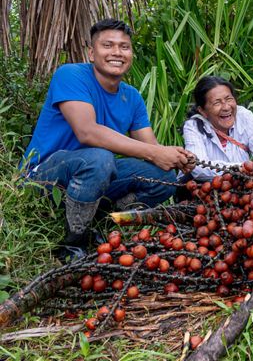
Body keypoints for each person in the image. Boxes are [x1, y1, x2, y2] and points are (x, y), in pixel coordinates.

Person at [22, 18, 194, 259]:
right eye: (108, 45)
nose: (117, 52)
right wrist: (155, 153)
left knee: (163, 176)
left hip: (91, 177)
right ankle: (74, 243)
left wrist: (175, 156)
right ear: (92, 53)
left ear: (131, 54)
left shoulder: (132, 97)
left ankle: (101, 222)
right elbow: (87, 131)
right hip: (43, 177)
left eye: (124, 47)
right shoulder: (71, 75)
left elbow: (151, 148)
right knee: (100, 159)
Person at [181, 75, 253, 181]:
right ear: (203, 111)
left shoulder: (244, 116)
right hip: (210, 184)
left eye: (229, 99)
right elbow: (198, 167)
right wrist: (240, 169)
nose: (226, 107)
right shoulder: (193, 126)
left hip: (243, 183)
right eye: (217, 103)